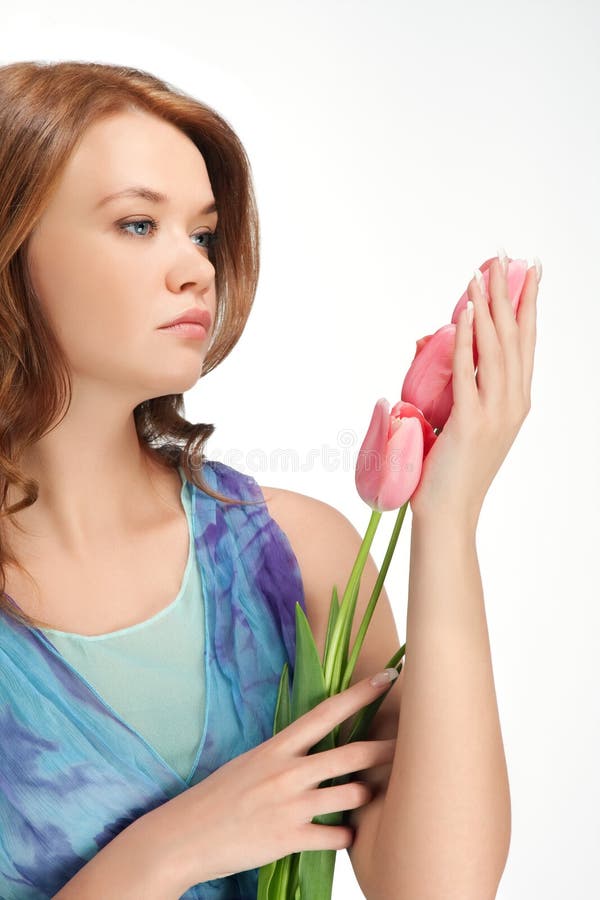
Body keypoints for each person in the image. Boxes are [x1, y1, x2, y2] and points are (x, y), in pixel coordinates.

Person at [0, 60, 539, 900]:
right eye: (139, 225)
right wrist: (171, 849)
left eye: (204, 234)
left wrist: (448, 519)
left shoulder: (295, 557)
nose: (197, 270)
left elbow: (441, 889)